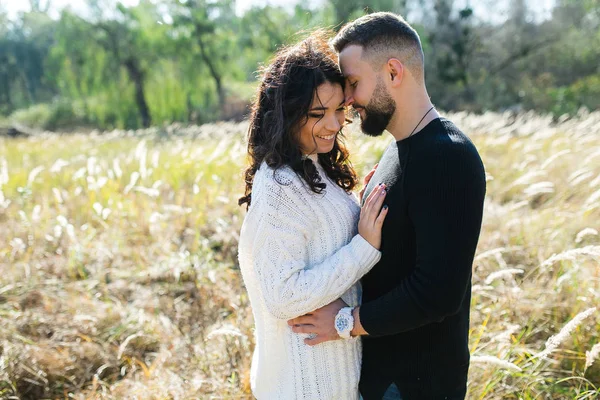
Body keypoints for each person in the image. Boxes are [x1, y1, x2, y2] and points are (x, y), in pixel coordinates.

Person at [287, 12, 487, 400]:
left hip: (418, 384)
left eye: (354, 84)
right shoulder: (397, 150)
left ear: (394, 72)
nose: (347, 100)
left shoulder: (448, 157)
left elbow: (437, 293)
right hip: (383, 377)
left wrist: (345, 322)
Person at [237, 32, 389, 399]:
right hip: (304, 386)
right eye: (318, 114)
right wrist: (363, 248)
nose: (335, 125)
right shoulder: (277, 187)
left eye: (340, 110)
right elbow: (284, 296)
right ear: (287, 115)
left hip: (333, 380)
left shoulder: (312, 166)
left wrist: (359, 201)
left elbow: (319, 236)